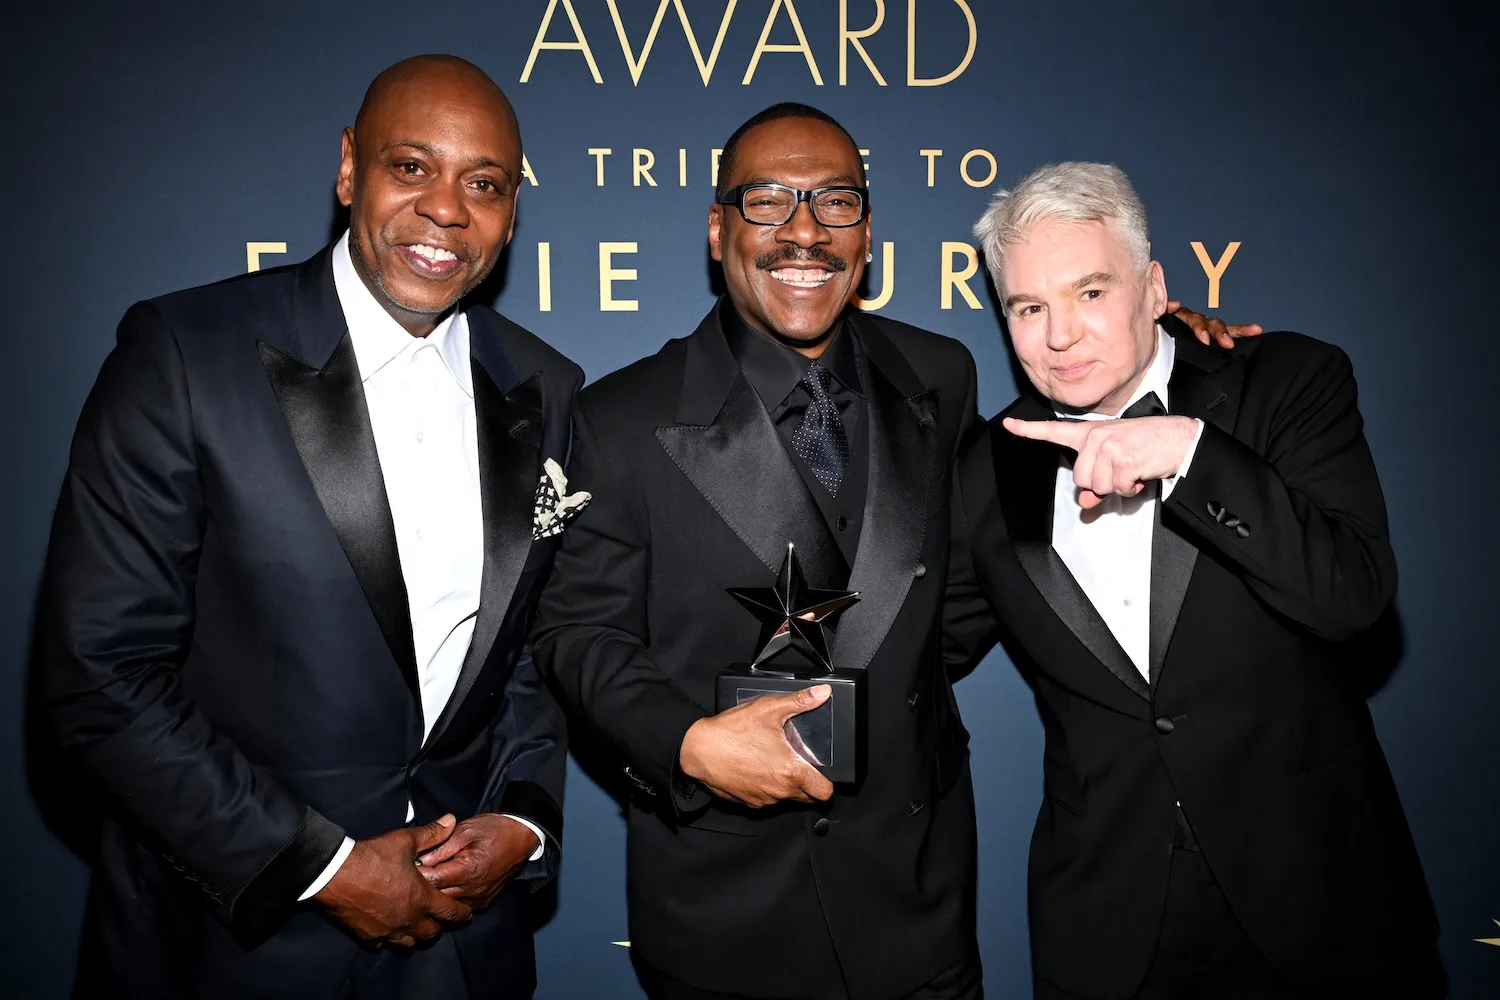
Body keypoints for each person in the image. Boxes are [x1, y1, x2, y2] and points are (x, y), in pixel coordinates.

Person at [531, 104, 1243, 1000]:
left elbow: (960, 582)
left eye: (835, 203)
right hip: (726, 914)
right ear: (718, 230)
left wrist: (1167, 341)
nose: (803, 232)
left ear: (866, 236)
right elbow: (576, 635)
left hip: (920, 899)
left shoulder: (941, 375)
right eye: (767, 202)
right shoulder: (622, 417)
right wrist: (689, 745)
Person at [39, 55, 582, 999]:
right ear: (348, 170)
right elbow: (102, 675)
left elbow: (533, 649)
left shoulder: (549, 388)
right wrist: (323, 868)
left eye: (485, 183)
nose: (448, 208)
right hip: (232, 948)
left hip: (466, 948)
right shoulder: (182, 354)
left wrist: (524, 821)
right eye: (411, 167)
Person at [945, 161, 1439, 999]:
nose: (1059, 335)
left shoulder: (1285, 384)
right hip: (1112, 931)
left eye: (1091, 292)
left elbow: (1352, 595)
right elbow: (916, 649)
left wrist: (1191, 455)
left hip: (1325, 911)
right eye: (1030, 307)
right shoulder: (985, 468)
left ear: (1154, 288)